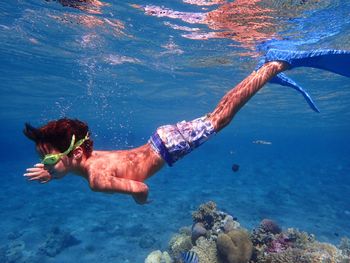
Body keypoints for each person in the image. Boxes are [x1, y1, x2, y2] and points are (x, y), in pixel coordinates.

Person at [23, 49, 350, 204]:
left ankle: (275, 64)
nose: (45, 164)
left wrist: (141, 202)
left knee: (220, 118)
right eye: (44, 160)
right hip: (160, 140)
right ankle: (263, 75)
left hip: (167, 146)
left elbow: (142, 188)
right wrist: (55, 171)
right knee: (217, 115)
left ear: (75, 151)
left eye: (48, 159)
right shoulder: (87, 160)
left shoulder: (95, 178)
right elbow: (78, 160)